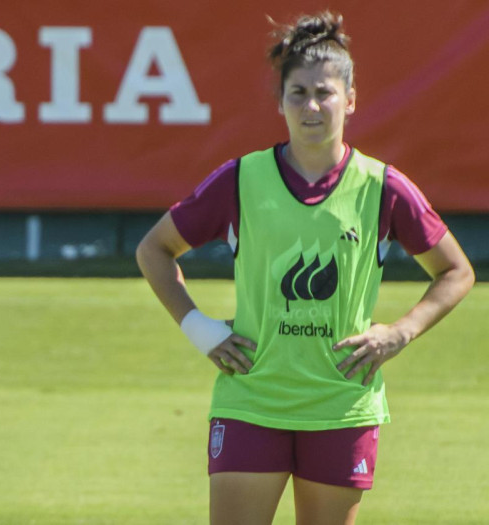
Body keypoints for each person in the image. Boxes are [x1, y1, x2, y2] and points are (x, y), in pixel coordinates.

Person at [135, 11, 475, 525]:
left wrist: (400, 332)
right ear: (279, 102)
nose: (311, 106)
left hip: (342, 406)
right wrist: (200, 329)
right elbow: (153, 250)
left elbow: (456, 271)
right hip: (251, 400)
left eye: (325, 92)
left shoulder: (382, 186)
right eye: (297, 93)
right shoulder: (240, 179)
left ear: (351, 99)